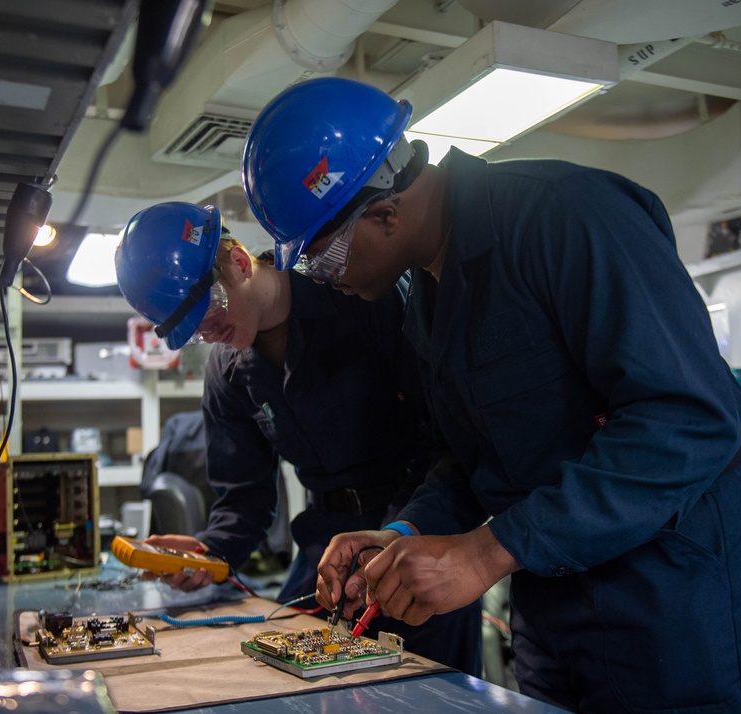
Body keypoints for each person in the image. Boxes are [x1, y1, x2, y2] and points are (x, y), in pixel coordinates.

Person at [240, 76, 741, 713]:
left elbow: (689, 416)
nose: (323, 280)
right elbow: (475, 455)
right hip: (556, 591)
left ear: (385, 213)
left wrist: (488, 550)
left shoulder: (566, 215)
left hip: (684, 586)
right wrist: (403, 532)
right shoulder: (429, 293)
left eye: (321, 259)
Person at [114, 200, 482, 675]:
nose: (209, 332)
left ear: (240, 263)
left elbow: (450, 443)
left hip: (419, 532)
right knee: (276, 677)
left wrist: (400, 531)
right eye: (192, 332)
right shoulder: (228, 373)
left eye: (207, 310)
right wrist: (212, 551)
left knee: (431, 693)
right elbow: (244, 496)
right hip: (325, 552)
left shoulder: (361, 294)